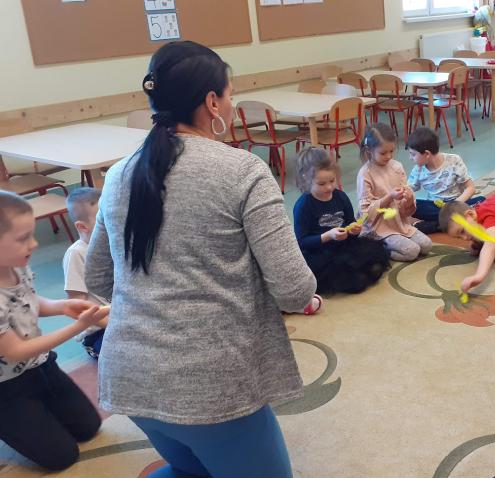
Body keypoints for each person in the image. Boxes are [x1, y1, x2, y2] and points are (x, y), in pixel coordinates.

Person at [84, 41, 317, 478]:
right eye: (229, 95)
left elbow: (97, 275)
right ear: (212, 102)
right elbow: (294, 290)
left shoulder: (118, 174)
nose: (230, 104)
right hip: (212, 386)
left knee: (193, 471)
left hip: (130, 376)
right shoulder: (243, 170)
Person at [0, 191, 107, 471]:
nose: (34, 244)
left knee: (88, 427)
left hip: (41, 366)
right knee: (62, 457)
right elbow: (14, 351)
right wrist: (78, 327)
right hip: (6, 386)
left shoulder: (17, 266)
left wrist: (62, 306)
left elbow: (28, 302)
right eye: (23, 238)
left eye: (32, 234)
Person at [293, 147, 390, 294]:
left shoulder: (340, 196)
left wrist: (354, 230)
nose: (329, 187)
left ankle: (362, 271)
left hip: (344, 246)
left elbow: (350, 222)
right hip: (320, 253)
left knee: (376, 254)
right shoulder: (303, 205)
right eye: (321, 184)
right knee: (357, 281)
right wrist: (328, 235)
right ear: (306, 179)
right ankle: (358, 274)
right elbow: (302, 242)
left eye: (332, 181)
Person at [356, 123, 432, 262]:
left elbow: (407, 210)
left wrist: (409, 200)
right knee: (412, 252)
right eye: (383, 153)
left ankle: (394, 242)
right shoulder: (365, 174)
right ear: (369, 150)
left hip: (400, 223)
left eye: (391, 151)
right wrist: (389, 197)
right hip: (378, 228)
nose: (389, 156)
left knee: (427, 245)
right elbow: (365, 214)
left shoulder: (397, 166)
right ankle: (379, 250)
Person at [406, 126, 484, 234]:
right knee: (414, 205)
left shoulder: (454, 160)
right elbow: (408, 189)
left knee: (482, 201)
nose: (410, 158)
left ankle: (435, 225)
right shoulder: (418, 170)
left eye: (413, 154)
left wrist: (453, 206)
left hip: (457, 203)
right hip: (435, 206)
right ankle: (451, 221)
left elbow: (470, 188)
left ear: (427, 154)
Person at [62, 187, 108, 358]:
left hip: (124, 320)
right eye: (103, 220)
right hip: (98, 331)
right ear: (83, 226)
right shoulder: (77, 254)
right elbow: (77, 305)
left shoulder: (114, 243)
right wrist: (112, 324)